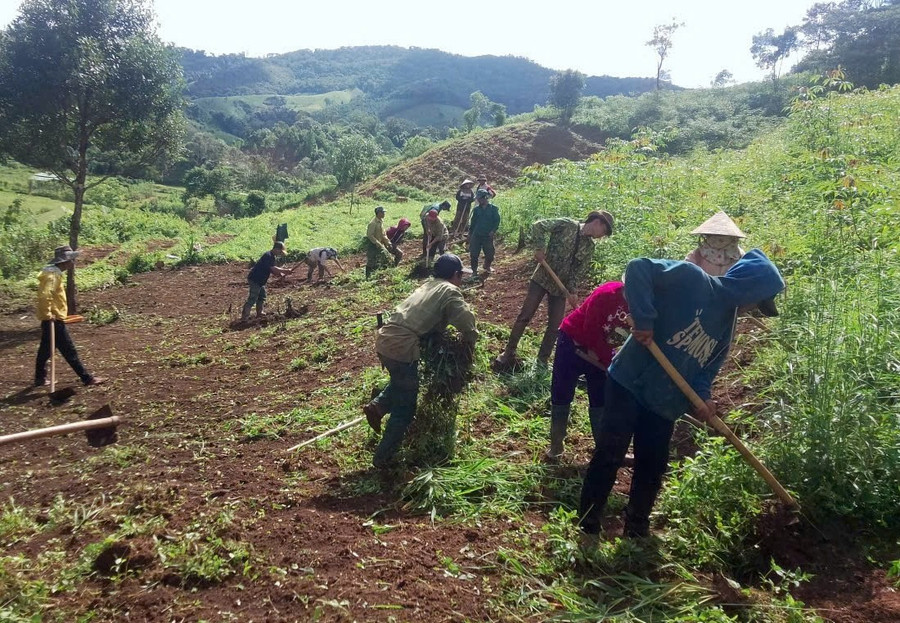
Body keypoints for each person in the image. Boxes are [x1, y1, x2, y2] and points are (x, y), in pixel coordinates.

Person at [579, 249, 785, 539]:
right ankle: (588, 523)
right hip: (630, 381)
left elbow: (704, 370)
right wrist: (645, 318)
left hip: (665, 402)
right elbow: (639, 268)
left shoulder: (726, 329)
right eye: (757, 301)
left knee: (653, 464)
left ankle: (636, 530)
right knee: (610, 452)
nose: (752, 309)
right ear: (747, 286)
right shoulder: (692, 279)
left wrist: (702, 398)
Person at [362, 253, 478, 467]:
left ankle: (377, 407)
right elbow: (465, 322)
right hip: (401, 347)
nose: (461, 281)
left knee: (402, 381)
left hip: (386, 338)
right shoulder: (450, 290)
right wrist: (472, 342)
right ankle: (383, 459)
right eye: (461, 276)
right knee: (405, 408)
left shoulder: (429, 284)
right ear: (455, 275)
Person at [494, 210, 614, 368]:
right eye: (604, 232)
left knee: (554, 325)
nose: (602, 236)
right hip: (542, 278)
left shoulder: (589, 247)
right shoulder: (567, 225)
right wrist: (540, 248)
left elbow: (577, 272)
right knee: (525, 315)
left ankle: (542, 362)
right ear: (597, 222)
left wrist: (572, 291)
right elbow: (538, 226)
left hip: (560, 289)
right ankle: (508, 352)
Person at [547, 281, 630, 459]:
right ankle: (556, 446)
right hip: (572, 342)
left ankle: (603, 450)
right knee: (562, 392)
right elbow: (591, 328)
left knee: (600, 399)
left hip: (600, 352)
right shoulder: (606, 293)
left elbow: (621, 338)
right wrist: (604, 357)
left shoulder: (642, 307)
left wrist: (609, 361)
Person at [34, 246, 106, 387]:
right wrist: (48, 314)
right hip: (53, 320)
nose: (73, 263)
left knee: (45, 351)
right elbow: (45, 296)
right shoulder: (52, 276)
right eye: (71, 260)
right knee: (69, 350)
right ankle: (87, 378)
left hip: (52, 319)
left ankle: (39, 378)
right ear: (64, 261)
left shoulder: (54, 274)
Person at [684, 211, 746, 276]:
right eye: (711, 235)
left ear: (732, 238)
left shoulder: (739, 257)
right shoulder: (697, 255)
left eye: (722, 236)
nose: (715, 239)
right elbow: (686, 273)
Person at [242, 241, 290, 322]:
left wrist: (281, 274)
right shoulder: (268, 256)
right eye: (280, 252)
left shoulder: (272, 257)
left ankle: (259, 313)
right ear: (276, 249)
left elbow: (272, 270)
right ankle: (244, 317)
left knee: (262, 296)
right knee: (252, 298)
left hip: (261, 280)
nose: (280, 253)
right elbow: (273, 268)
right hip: (255, 279)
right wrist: (286, 271)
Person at [467, 189, 501, 276]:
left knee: (490, 254)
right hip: (477, 234)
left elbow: (497, 221)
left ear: (485, 198)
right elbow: (473, 222)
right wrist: (470, 234)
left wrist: (493, 231)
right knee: (474, 254)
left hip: (487, 235)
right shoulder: (476, 210)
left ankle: (487, 266)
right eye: (478, 199)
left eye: (480, 198)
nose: (478, 200)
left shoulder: (493, 209)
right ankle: (474, 271)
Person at [366, 206, 394, 279]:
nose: (384, 214)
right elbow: (369, 235)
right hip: (373, 244)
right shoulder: (373, 223)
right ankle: (368, 278)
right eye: (383, 212)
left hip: (379, 244)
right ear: (378, 213)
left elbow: (383, 234)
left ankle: (381, 275)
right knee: (371, 261)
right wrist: (377, 243)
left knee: (383, 258)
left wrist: (388, 242)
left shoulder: (380, 222)